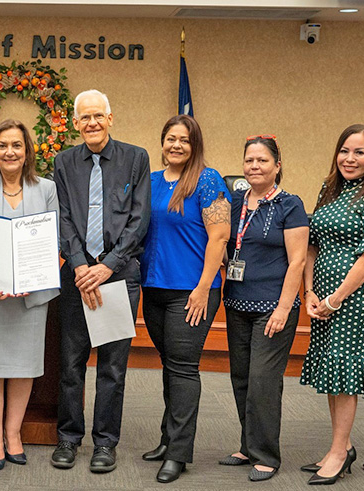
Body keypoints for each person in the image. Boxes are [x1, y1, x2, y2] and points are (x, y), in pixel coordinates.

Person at [50, 89, 150, 474]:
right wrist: (78, 264)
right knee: (70, 363)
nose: (91, 123)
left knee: (112, 366)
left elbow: (139, 220)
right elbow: (63, 218)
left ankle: (105, 443)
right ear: (75, 124)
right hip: (76, 277)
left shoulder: (135, 158)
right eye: (84, 118)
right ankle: (69, 438)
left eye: (98, 116)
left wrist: (107, 266)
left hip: (118, 276)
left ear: (110, 118)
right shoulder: (64, 162)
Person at [0, 120, 60, 471]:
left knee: (23, 366)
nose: (9, 152)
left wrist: (32, 278)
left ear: (27, 150)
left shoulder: (46, 188)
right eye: (2, 145)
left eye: (16, 145)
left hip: (30, 296)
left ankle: (13, 434)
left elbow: (51, 240)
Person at [300, 124, 364, 485]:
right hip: (319, 294)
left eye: (359, 152)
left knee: (344, 368)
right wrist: (309, 293)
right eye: (344, 151)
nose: (349, 159)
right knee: (330, 369)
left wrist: (334, 299)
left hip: (350, 298)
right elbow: (312, 245)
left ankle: (340, 453)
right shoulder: (329, 187)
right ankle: (342, 444)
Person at [138, 115, 231, 482]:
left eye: (185, 140)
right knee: (169, 363)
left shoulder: (207, 180)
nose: (176, 145)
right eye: (171, 139)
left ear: (195, 146)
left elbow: (220, 236)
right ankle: (168, 438)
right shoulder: (152, 182)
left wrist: (204, 287)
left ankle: (178, 453)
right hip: (154, 286)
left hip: (192, 290)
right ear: (162, 143)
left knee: (182, 366)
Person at [221, 135, 308, 482]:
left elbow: (298, 260)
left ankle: (267, 455)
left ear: (277, 165)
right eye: (249, 161)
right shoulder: (236, 201)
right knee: (241, 377)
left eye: (262, 161)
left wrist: (284, 308)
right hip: (237, 302)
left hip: (273, 307)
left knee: (263, 381)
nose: (254, 167)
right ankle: (248, 444)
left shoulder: (290, 204)